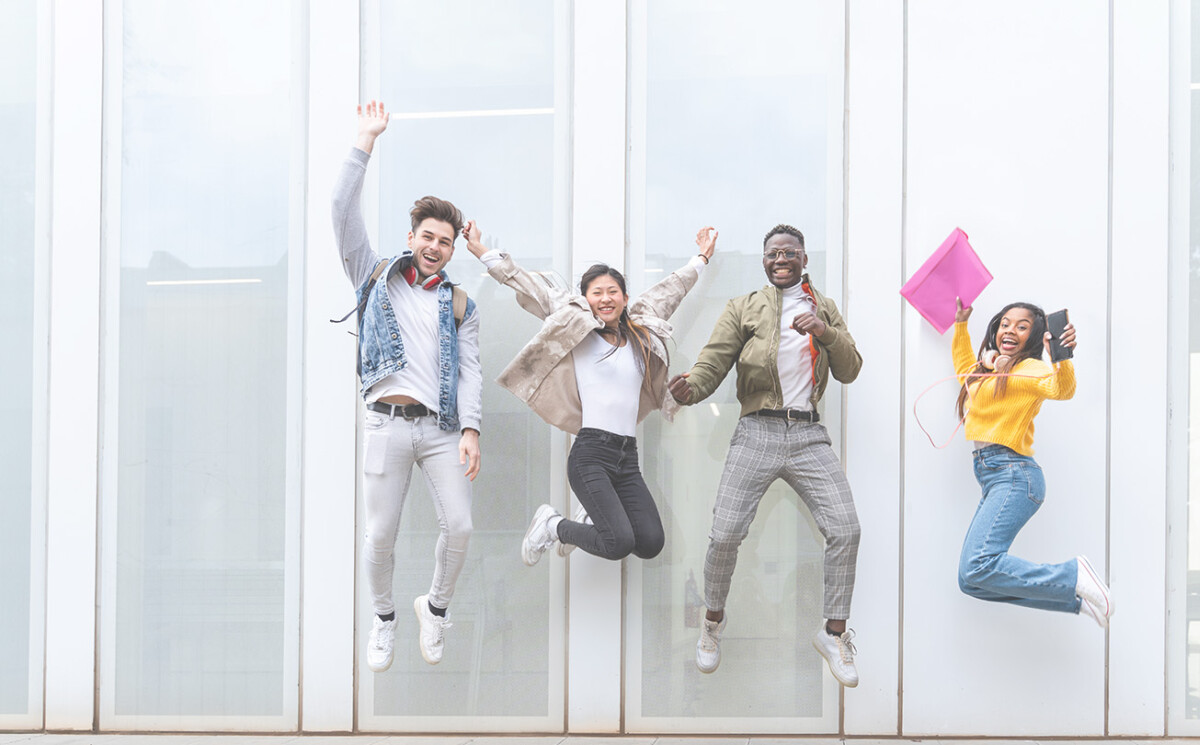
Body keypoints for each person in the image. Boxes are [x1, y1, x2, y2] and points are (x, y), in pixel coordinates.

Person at [667, 224, 863, 688]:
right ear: (763, 261)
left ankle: (833, 633)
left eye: (789, 252)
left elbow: (851, 369)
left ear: (803, 258)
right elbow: (713, 361)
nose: (780, 259)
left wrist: (826, 331)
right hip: (757, 430)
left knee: (846, 528)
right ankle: (712, 623)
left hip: (808, 435)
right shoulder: (743, 308)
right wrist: (690, 389)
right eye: (772, 253)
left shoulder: (824, 307)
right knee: (725, 533)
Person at [462, 223, 715, 565]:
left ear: (625, 298)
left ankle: (584, 519)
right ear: (585, 298)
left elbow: (671, 290)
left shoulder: (641, 330)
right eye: (597, 292)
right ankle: (554, 526)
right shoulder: (575, 324)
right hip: (591, 453)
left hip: (628, 456)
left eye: (613, 291)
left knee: (650, 542)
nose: (606, 298)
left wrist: (701, 258)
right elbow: (530, 286)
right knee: (617, 543)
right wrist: (482, 251)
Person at [331, 101, 482, 673]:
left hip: (440, 428)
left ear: (451, 247)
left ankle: (435, 609)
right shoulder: (373, 274)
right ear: (412, 235)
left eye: (445, 240)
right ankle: (384, 618)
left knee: (461, 525)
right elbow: (341, 209)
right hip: (385, 424)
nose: (435, 245)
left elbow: (469, 370)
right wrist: (365, 140)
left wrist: (470, 428)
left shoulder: (461, 303)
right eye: (427, 235)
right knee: (381, 534)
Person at [950, 298, 1113, 627]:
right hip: (993, 475)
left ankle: (1072, 574)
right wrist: (961, 325)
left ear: (1035, 336)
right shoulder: (988, 370)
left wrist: (1060, 359)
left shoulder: (1031, 369)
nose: (1010, 330)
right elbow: (962, 369)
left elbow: (1062, 389)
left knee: (979, 564)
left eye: (1022, 326)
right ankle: (1075, 599)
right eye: (1006, 323)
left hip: (1015, 476)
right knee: (971, 580)